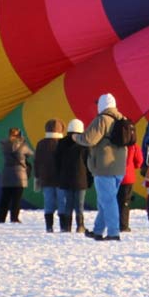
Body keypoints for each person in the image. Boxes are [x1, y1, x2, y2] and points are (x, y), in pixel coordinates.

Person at [75, 92, 130, 240]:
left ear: (102, 105)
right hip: (119, 167)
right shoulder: (122, 118)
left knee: (108, 201)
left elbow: (89, 139)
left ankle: (113, 232)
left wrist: (75, 136)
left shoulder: (102, 120)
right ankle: (98, 231)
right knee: (105, 200)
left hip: (104, 166)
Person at [55, 118, 90, 234]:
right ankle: (80, 226)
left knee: (68, 204)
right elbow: (88, 163)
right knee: (79, 205)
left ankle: (66, 227)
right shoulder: (84, 144)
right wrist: (89, 180)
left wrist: (59, 177)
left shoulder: (61, 143)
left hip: (65, 179)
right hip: (81, 179)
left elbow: (57, 162)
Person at [0, 127, 32, 224]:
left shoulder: (4, 144)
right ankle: (14, 218)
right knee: (16, 199)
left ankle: (0, 217)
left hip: (7, 174)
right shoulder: (22, 146)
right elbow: (30, 153)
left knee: (5, 198)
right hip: (19, 174)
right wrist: (23, 141)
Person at [34, 119, 64, 232]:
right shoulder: (63, 143)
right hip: (61, 180)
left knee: (48, 203)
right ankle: (63, 227)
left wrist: (37, 177)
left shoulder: (41, 143)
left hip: (46, 179)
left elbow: (36, 161)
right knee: (62, 203)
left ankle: (49, 227)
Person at [118, 134, 143, 233]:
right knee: (125, 202)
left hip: (114, 175)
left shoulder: (115, 144)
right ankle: (124, 225)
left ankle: (113, 224)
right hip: (128, 177)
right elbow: (139, 161)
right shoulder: (134, 146)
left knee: (114, 201)